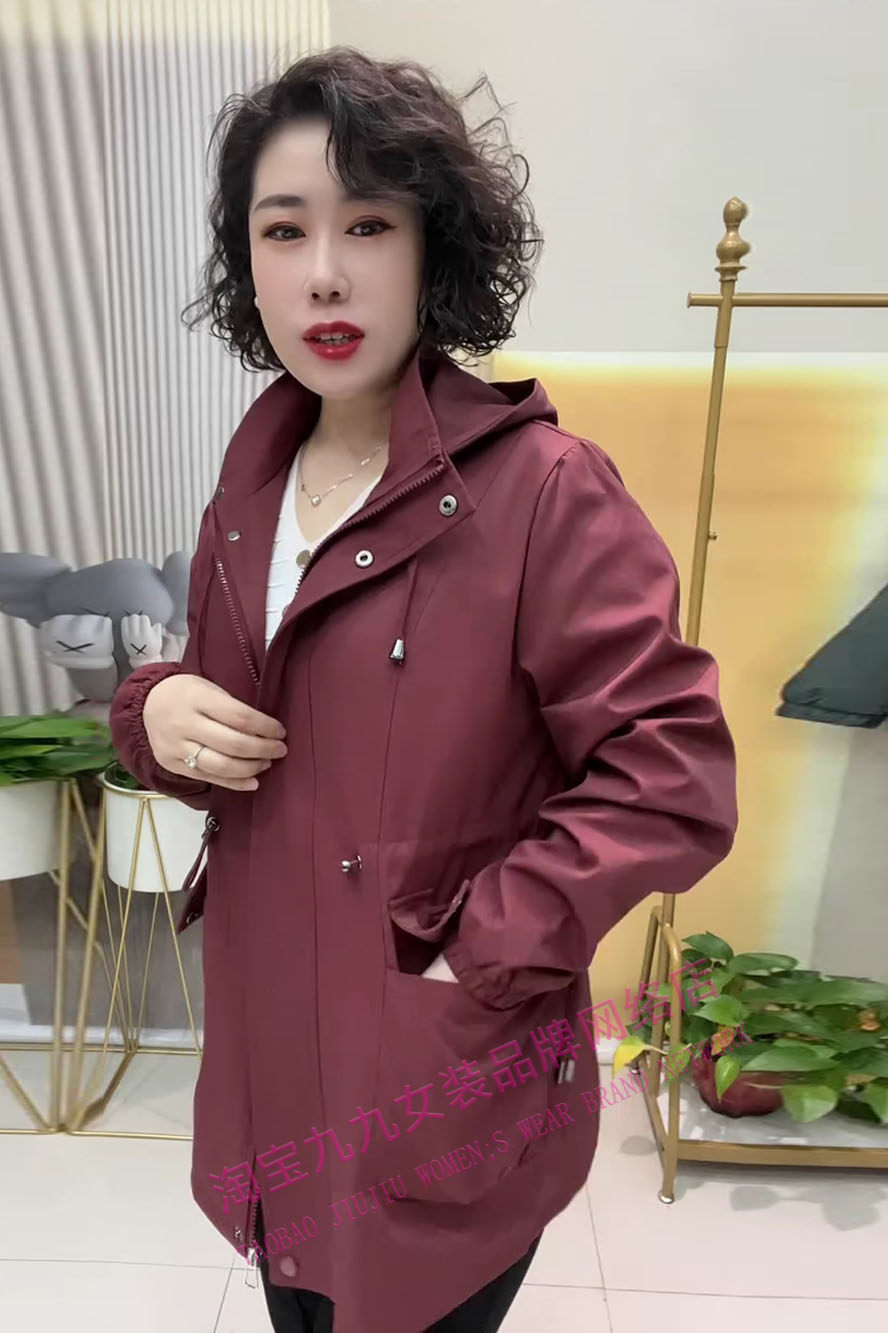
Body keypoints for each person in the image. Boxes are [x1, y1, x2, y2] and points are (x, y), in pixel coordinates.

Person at [109, 46, 738, 1333]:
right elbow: (244, 728)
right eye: (283, 229)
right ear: (247, 260)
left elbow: (671, 774)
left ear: (431, 244)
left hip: (436, 1067)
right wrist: (154, 711)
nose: (323, 273)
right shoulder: (252, 485)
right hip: (275, 1051)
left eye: (367, 225)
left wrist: (481, 946)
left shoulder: (544, 491)